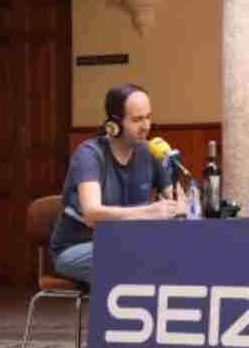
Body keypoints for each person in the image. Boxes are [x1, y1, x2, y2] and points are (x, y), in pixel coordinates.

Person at [49, 83, 186, 284]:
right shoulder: (89, 155)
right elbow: (92, 215)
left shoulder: (150, 152)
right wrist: (150, 212)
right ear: (114, 124)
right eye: (137, 119)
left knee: (170, 255)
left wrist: (179, 205)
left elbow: (178, 200)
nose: (146, 126)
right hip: (79, 247)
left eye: (148, 117)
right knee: (138, 260)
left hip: (127, 244)